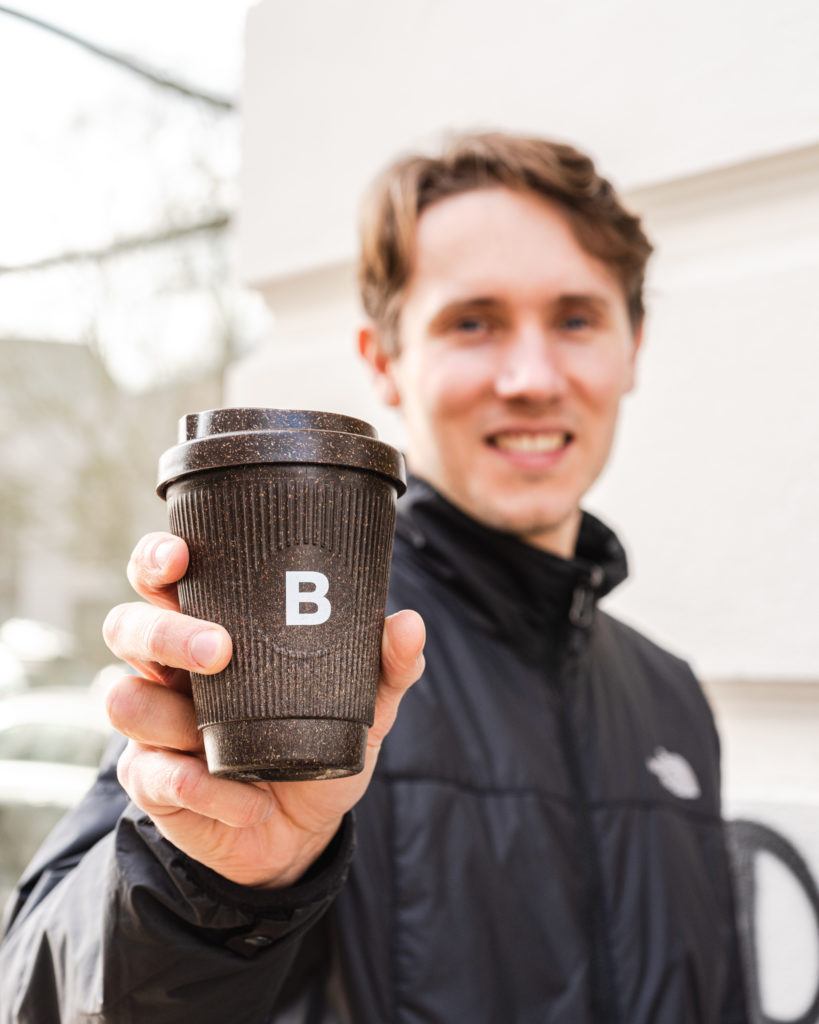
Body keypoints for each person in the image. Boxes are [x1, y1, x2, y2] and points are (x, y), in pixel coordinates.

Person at [0, 132, 749, 1023]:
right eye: (472, 321)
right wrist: (213, 882)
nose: (529, 377)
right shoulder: (284, 650)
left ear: (632, 349)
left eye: (576, 318)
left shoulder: (668, 698)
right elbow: (36, 994)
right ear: (383, 359)